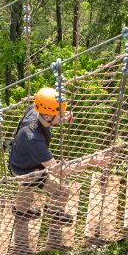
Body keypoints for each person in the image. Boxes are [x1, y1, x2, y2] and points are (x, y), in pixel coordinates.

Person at [9, 87, 108, 224]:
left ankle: (20, 211)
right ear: (48, 117)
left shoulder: (34, 109)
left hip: (18, 161)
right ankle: (54, 211)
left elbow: (46, 111)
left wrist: (61, 118)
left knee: (26, 185)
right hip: (29, 170)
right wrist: (91, 162)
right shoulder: (34, 140)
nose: (63, 115)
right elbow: (59, 171)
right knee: (62, 190)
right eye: (60, 114)